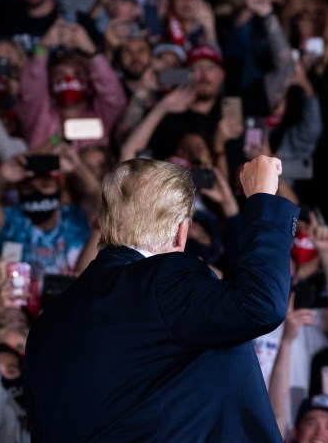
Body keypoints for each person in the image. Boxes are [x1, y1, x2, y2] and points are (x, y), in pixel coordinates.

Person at [25, 155, 299, 440]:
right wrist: (263, 198)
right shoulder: (164, 280)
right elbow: (261, 304)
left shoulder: (47, 322)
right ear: (182, 233)